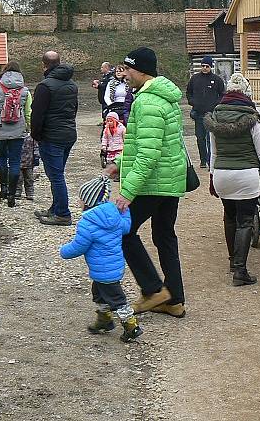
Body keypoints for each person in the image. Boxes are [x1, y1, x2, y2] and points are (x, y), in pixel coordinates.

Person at [104, 47, 188, 318]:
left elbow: (148, 154)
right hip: (170, 181)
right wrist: (119, 165)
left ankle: (153, 291)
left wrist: (127, 192)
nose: (124, 74)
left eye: (128, 69)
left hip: (153, 183)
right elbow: (149, 144)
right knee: (164, 236)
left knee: (123, 233)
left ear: (141, 70)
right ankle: (174, 300)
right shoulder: (164, 97)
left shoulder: (147, 102)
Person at [204, 73, 260, 285]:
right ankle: (240, 271)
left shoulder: (215, 117)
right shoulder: (252, 118)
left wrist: (211, 176)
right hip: (246, 175)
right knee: (245, 221)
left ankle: (232, 261)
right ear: (246, 93)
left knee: (229, 217)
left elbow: (213, 152)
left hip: (222, 174)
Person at [59, 176, 142, 343]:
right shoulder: (115, 216)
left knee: (118, 300)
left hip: (102, 271)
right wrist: (126, 212)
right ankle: (105, 319)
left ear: (88, 201)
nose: (79, 202)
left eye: (81, 199)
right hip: (114, 267)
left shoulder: (87, 223)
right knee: (99, 294)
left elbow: (79, 246)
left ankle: (131, 326)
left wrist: (63, 251)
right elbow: (126, 228)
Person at [31, 51, 79, 226]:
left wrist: (36, 135)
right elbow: (74, 110)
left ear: (44, 65)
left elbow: (37, 115)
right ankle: (55, 208)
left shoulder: (45, 86)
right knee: (57, 173)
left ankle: (62, 213)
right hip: (68, 134)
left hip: (51, 136)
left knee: (56, 176)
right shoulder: (72, 84)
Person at [0, 61, 32, 208]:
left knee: (1, 158)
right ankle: (12, 195)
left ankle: (3, 189)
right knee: (15, 161)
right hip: (18, 131)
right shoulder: (25, 91)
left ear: (4, 73)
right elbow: (29, 113)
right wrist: (27, 127)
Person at [186, 56, 225, 168]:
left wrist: (215, 104)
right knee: (200, 138)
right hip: (198, 114)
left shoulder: (217, 80)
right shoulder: (194, 79)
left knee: (210, 138)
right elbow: (188, 93)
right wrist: (193, 102)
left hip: (211, 114)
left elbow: (222, 95)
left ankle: (210, 160)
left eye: (207, 66)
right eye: (203, 66)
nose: (204, 68)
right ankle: (203, 160)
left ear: (211, 67)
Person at [15, 135, 40, 200]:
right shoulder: (16, 137)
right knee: (18, 178)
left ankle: (30, 193)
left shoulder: (32, 138)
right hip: (18, 163)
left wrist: (36, 158)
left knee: (29, 179)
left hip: (29, 163)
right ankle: (17, 192)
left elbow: (36, 148)